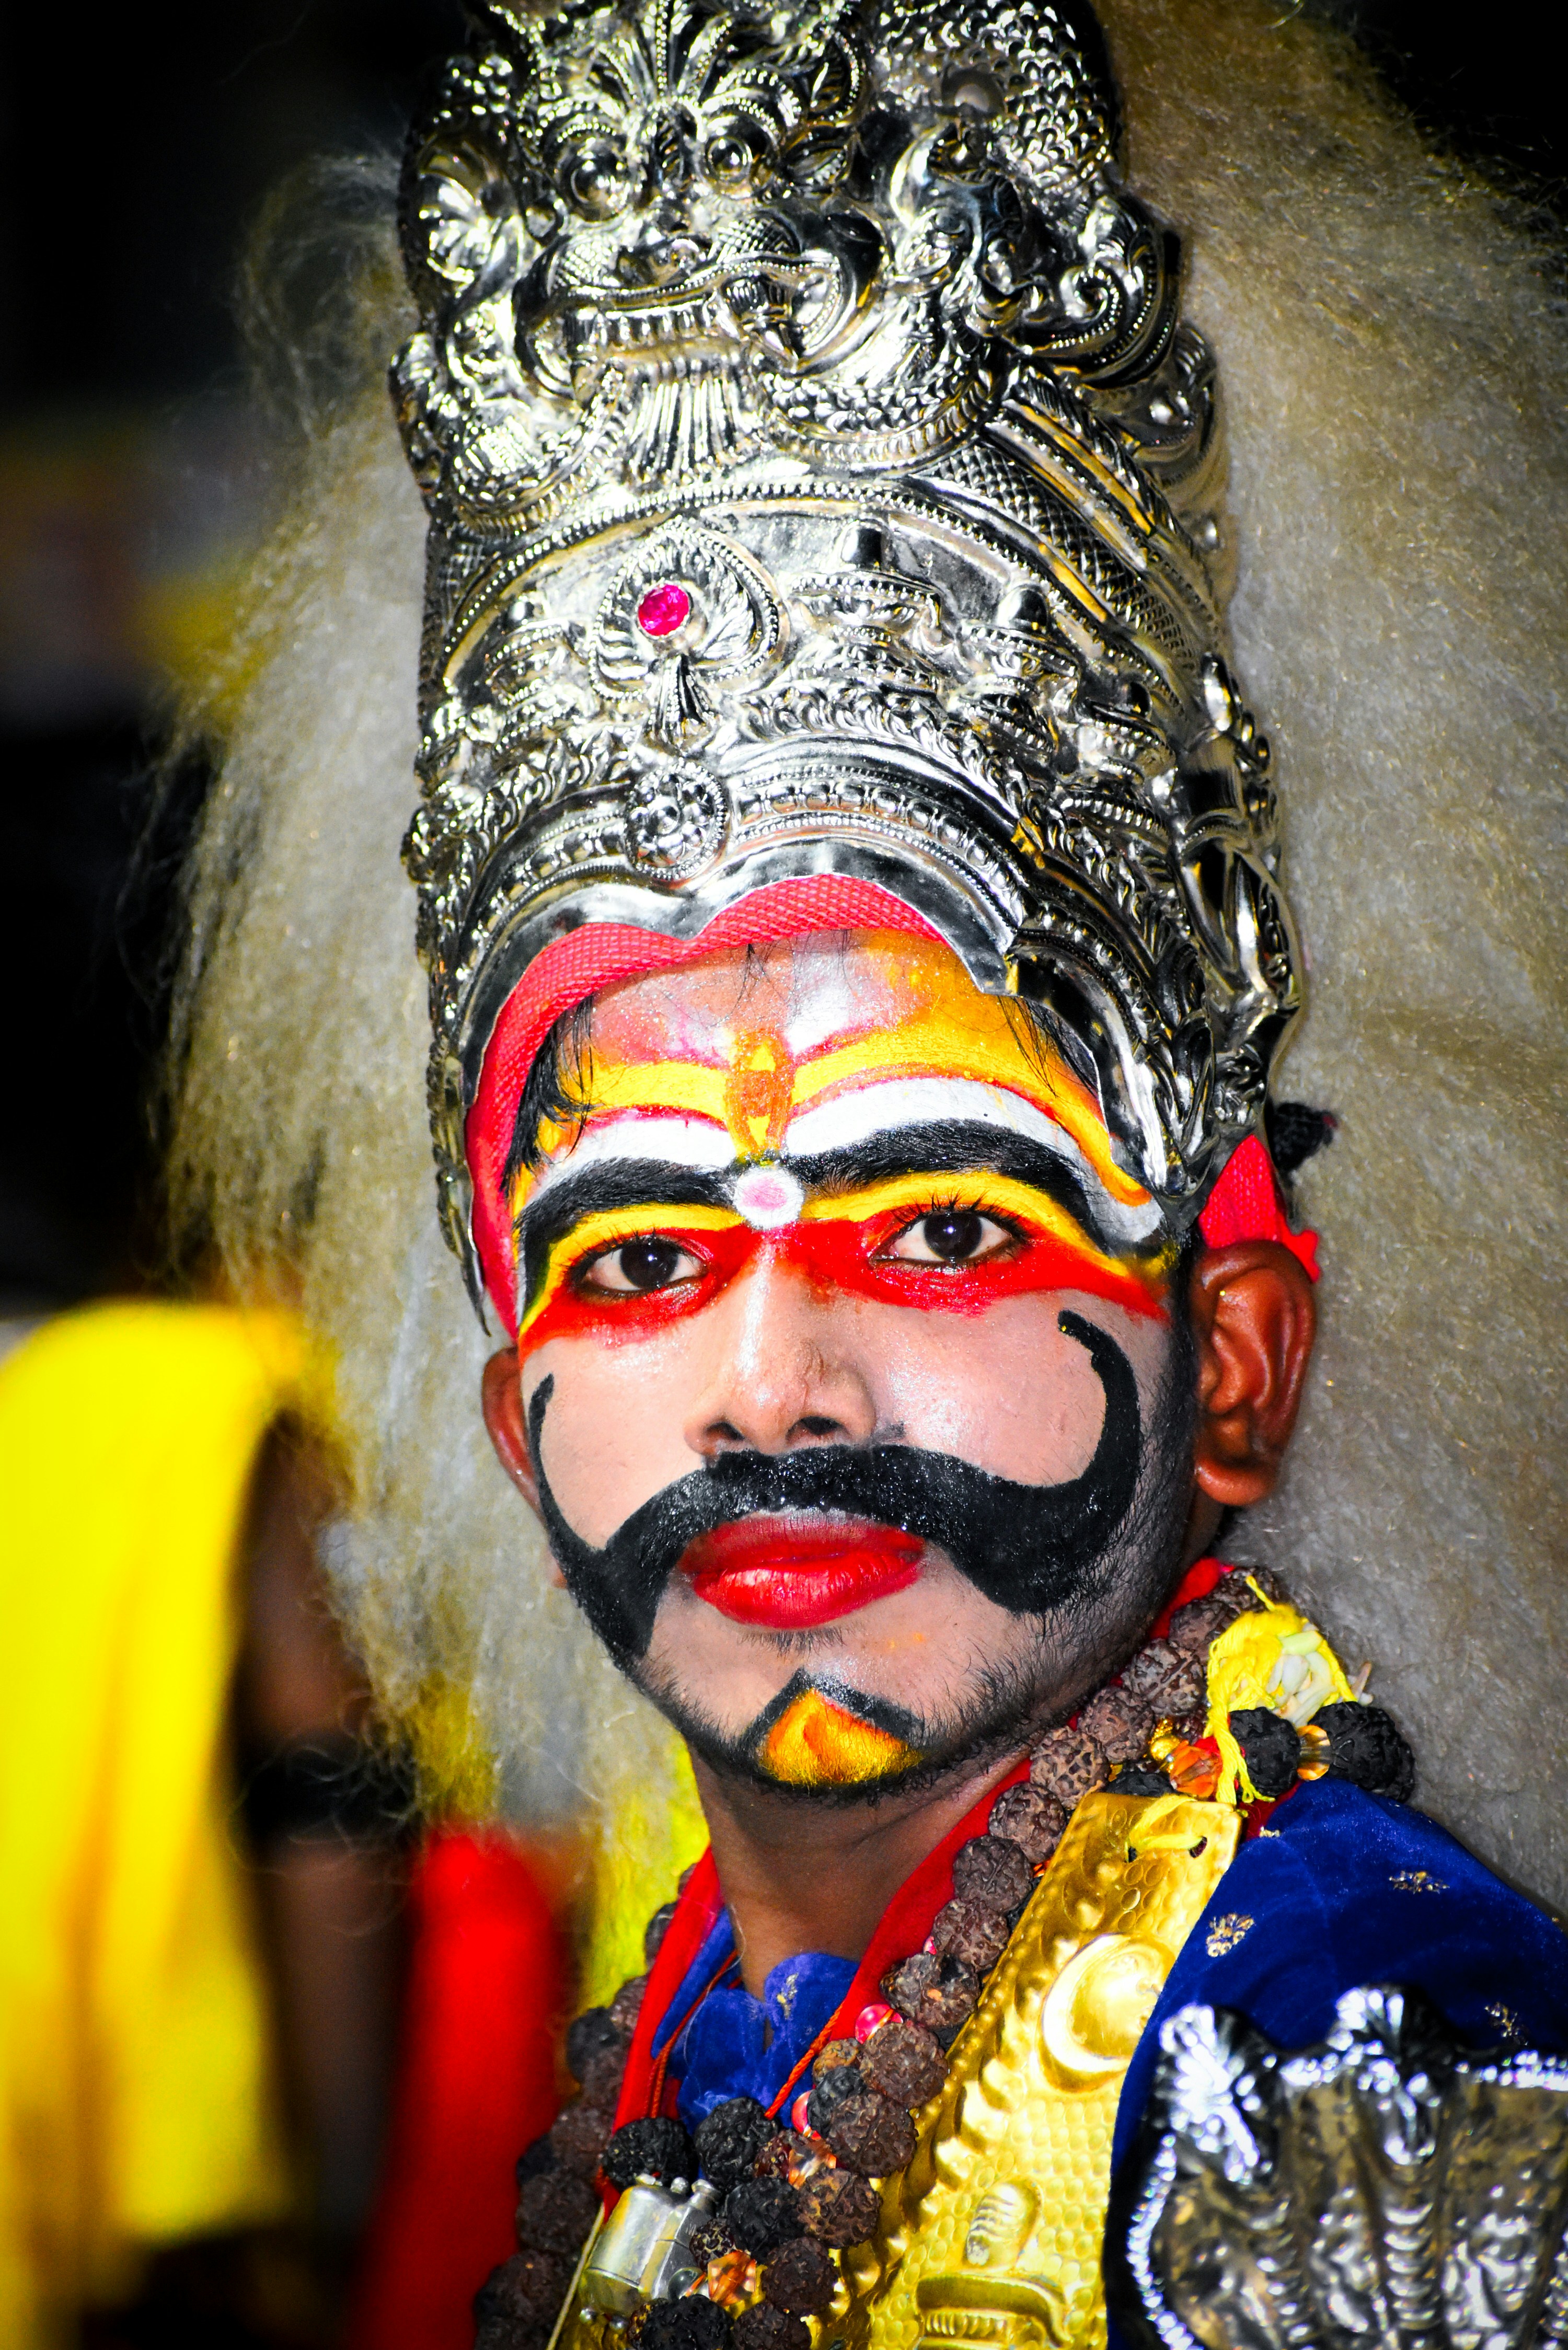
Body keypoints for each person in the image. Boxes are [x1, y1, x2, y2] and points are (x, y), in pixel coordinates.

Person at [162, 0, 1568, 2341]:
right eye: (635, 1249)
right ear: (511, 1410)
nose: (774, 1380)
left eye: (938, 1220)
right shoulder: (715, 1998)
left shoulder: (1363, 2062)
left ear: (1233, 1349)